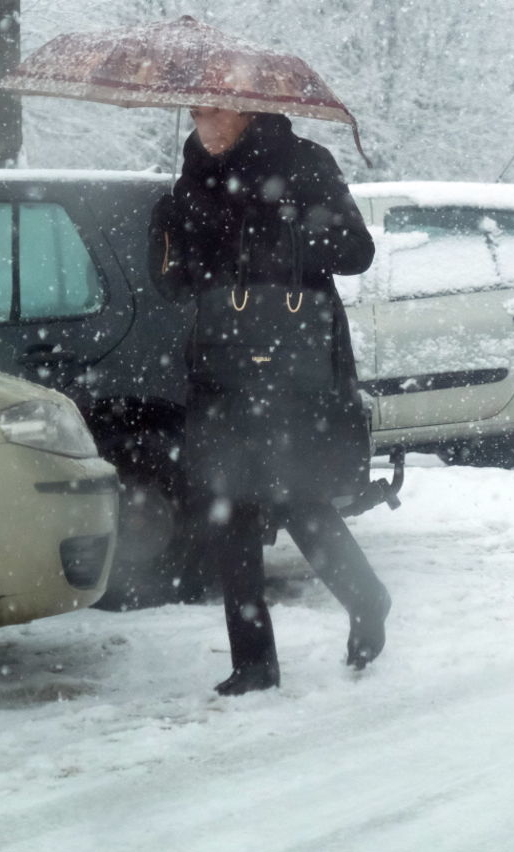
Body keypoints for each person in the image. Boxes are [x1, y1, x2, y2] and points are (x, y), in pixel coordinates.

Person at [149, 106, 391, 696]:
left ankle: (366, 598)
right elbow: (174, 284)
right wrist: (169, 228)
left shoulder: (305, 162)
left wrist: (285, 224)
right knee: (227, 506)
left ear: (246, 110)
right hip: (220, 364)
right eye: (198, 112)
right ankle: (254, 662)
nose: (206, 123)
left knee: (296, 498)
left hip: (294, 366)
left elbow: (357, 251)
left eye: (217, 111)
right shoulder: (190, 177)